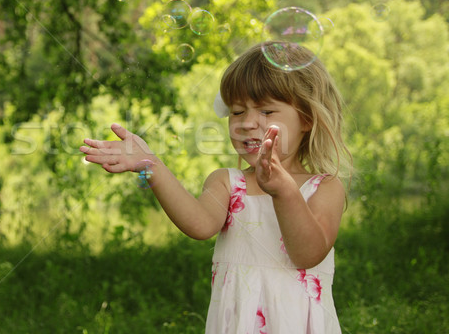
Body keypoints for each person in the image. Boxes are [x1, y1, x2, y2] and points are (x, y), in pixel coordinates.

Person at [79, 41, 352, 333]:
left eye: (266, 111)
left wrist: (283, 191)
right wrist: (151, 165)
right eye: (236, 112)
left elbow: (307, 254)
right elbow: (199, 225)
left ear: (306, 119)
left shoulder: (323, 187)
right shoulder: (228, 182)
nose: (247, 123)